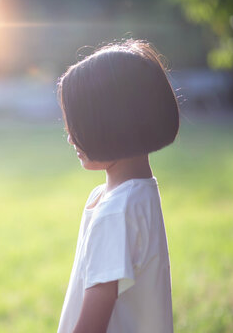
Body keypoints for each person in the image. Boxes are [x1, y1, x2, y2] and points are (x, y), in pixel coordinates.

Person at [56, 39, 179, 333]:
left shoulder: (115, 210)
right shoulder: (137, 193)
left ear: (111, 124)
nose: (70, 137)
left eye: (78, 123)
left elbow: (92, 325)